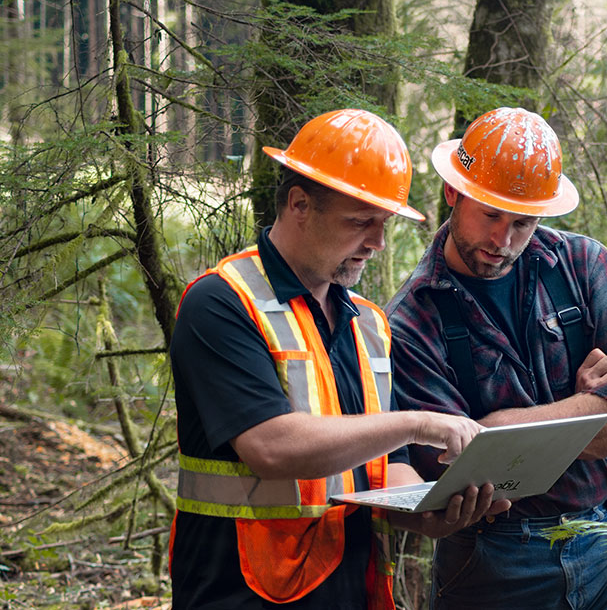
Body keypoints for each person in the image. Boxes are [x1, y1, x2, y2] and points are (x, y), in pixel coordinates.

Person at [386, 107, 607, 609]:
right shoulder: (411, 322)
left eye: (523, 222)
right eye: (490, 214)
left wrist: (500, 425)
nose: (502, 240)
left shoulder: (582, 265)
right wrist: (584, 405)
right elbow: (449, 465)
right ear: (453, 192)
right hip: (495, 559)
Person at [169, 109, 509, 610]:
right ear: (299, 204)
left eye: (384, 224)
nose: (376, 243)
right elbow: (270, 446)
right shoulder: (220, 303)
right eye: (359, 222)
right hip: (240, 593)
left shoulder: (368, 325)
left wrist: (427, 509)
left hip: (353, 592)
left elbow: (384, 467)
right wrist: (417, 423)